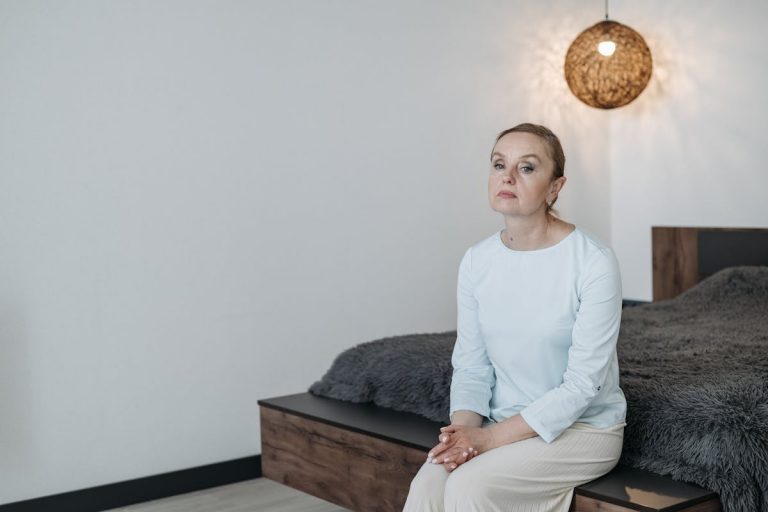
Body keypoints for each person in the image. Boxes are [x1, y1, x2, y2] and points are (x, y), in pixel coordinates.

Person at [402, 123, 627, 512]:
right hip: (499, 423)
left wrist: (487, 441)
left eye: (526, 167)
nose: (506, 176)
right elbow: (472, 365)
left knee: (470, 487)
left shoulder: (593, 261)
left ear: (555, 187)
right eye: (498, 164)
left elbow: (581, 387)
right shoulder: (477, 260)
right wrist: (464, 435)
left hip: (584, 429)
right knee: (429, 484)